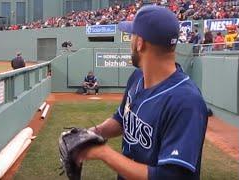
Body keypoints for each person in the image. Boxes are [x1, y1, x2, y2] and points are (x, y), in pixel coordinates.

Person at [76, 5, 208, 180]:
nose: (130, 41)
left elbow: (169, 176)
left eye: (132, 35)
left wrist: (104, 153)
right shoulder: (138, 77)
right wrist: (93, 133)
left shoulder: (186, 101)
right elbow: (122, 120)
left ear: (140, 43)